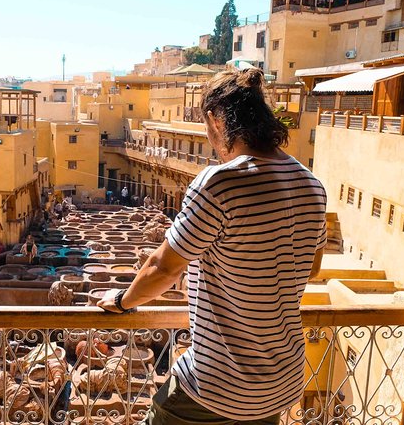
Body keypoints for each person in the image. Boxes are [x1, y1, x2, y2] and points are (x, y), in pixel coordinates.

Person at [98, 68, 327, 425]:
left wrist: (121, 301)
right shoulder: (312, 185)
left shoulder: (221, 182)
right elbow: (310, 267)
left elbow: (165, 267)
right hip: (281, 385)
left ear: (216, 120)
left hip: (218, 386)